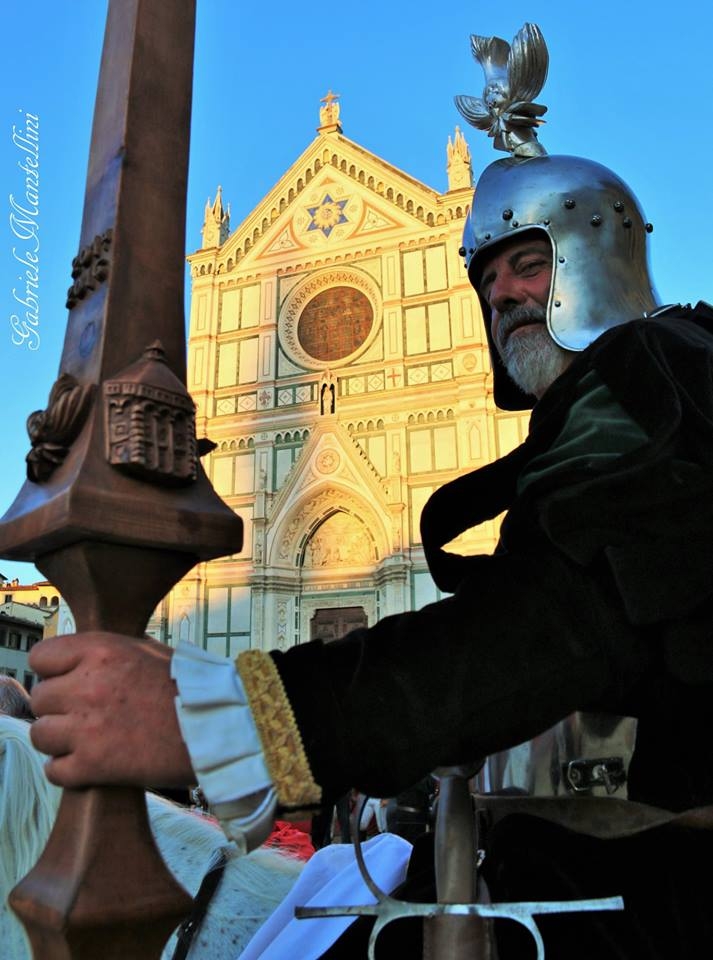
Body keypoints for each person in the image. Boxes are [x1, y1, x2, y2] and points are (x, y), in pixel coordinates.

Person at [26, 21, 713, 956]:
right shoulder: (621, 400)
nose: (504, 292)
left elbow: (544, 631)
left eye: (530, 264)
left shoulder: (657, 378)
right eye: (486, 276)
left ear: (598, 260)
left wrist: (226, 715)